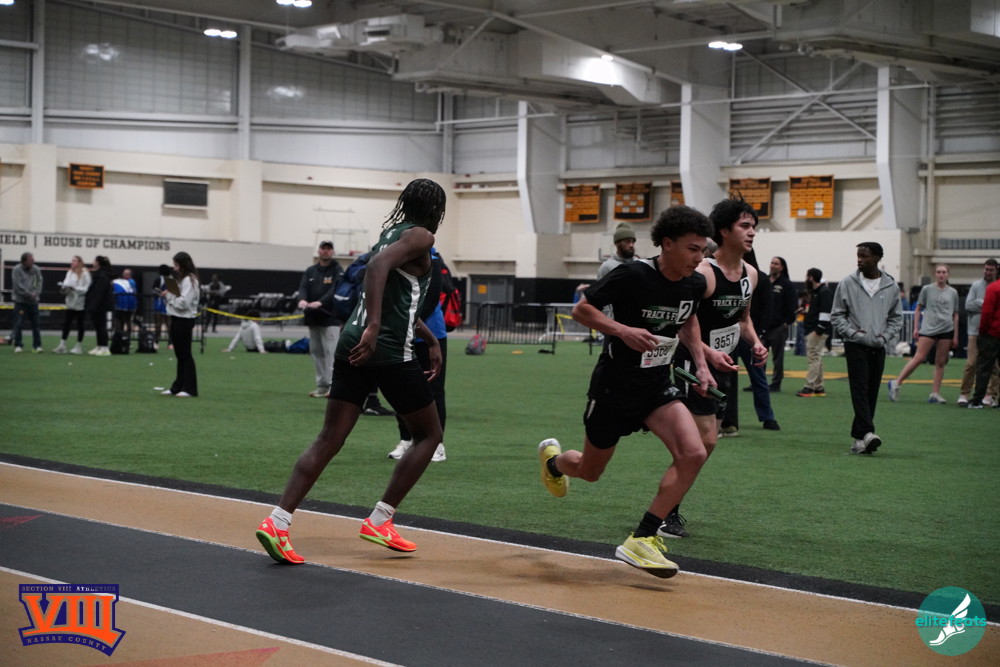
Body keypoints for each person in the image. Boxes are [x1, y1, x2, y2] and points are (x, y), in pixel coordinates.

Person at [255, 178, 447, 565]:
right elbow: (376, 268)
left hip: (352, 342)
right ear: (436, 210)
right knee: (429, 435)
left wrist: (429, 338)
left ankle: (277, 521)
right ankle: (380, 520)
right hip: (387, 349)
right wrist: (375, 327)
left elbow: (393, 295)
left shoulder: (391, 232)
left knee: (329, 437)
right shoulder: (421, 236)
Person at [537, 205, 717, 579]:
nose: (699, 258)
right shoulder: (633, 274)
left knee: (694, 452)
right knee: (589, 471)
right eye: (692, 249)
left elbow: (688, 320)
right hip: (614, 388)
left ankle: (643, 537)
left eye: (703, 250)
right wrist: (622, 331)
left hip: (656, 385)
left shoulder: (694, 283)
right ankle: (554, 463)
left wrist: (702, 363)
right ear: (667, 244)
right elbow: (582, 311)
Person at [665, 196, 767, 539]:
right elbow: (683, 324)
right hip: (692, 364)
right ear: (723, 231)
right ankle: (665, 512)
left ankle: (668, 506)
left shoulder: (751, 274)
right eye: (744, 226)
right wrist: (707, 355)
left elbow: (743, 319)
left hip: (723, 366)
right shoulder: (704, 274)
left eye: (754, 226)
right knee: (703, 442)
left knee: (705, 445)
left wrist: (756, 342)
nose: (752, 232)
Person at [830, 242, 903, 455]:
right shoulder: (847, 283)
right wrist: (853, 334)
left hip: (878, 347)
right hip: (855, 346)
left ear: (877, 258)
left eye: (864, 256)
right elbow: (837, 315)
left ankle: (859, 439)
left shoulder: (891, 286)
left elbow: (896, 318)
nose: (859, 259)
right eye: (858, 255)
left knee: (871, 392)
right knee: (859, 389)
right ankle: (868, 432)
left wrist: (885, 337)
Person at [387, 247, 451, 463]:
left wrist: (408, 322)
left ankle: (437, 444)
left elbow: (430, 300)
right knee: (401, 389)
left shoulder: (433, 260)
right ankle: (406, 439)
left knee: (433, 389)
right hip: (401, 334)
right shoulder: (396, 258)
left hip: (431, 335)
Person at [886, 264, 959, 404]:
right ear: (935, 274)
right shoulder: (927, 289)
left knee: (940, 362)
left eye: (944, 272)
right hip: (928, 329)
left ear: (948, 274)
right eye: (939, 272)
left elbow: (955, 315)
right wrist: (916, 328)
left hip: (946, 330)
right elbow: (918, 309)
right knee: (919, 358)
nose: (941, 275)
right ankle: (896, 382)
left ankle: (935, 393)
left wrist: (955, 336)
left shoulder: (953, 292)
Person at [726, 250, 780, 434]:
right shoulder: (727, 276)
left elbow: (767, 308)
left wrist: (760, 335)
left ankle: (767, 416)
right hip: (731, 334)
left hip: (750, 335)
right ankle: (726, 418)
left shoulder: (760, 279)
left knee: (758, 378)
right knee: (727, 378)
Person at [297, 240, 344, 398]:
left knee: (331, 352)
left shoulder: (337, 270)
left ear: (333, 252)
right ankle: (322, 386)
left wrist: (321, 302)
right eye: (323, 248)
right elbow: (303, 287)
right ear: (318, 251)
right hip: (312, 317)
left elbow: (335, 289)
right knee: (316, 352)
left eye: (329, 249)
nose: (325, 251)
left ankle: (333, 386)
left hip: (330, 317)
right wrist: (302, 300)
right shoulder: (311, 271)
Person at [957, 259, 999, 406]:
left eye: (991, 270)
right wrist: (985, 303)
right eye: (986, 269)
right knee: (971, 363)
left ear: (996, 271)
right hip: (975, 331)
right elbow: (968, 305)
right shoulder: (976, 285)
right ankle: (964, 393)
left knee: (995, 367)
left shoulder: (996, 286)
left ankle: (990, 395)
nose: (988, 272)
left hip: (993, 333)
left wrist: (981, 303)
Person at [158, 252, 200, 397]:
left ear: (183, 265)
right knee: (180, 355)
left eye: (176, 265)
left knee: (185, 354)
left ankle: (189, 389)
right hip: (177, 318)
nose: (174, 268)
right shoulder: (183, 280)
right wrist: (170, 294)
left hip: (184, 319)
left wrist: (169, 296)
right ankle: (178, 387)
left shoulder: (189, 280)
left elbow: (183, 303)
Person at [758, 256, 797, 391]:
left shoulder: (786, 284)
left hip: (778, 327)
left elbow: (792, 305)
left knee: (777, 358)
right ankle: (759, 382)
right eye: (772, 263)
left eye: (776, 264)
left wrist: (787, 322)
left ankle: (776, 383)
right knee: (759, 356)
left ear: (782, 267)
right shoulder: (764, 281)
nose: (773, 265)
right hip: (763, 327)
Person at [796, 268, 833, 397]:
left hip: (816, 330)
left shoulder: (823, 292)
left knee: (813, 358)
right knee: (817, 358)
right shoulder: (817, 292)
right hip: (814, 329)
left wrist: (819, 329)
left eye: (807, 276)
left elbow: (826, 312)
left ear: (811, 277)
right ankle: (818, 387)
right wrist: (806, 312)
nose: (806, 279)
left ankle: (809, 387)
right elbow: (818, 310)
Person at [966, 277, 1000, 409]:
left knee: (984, 368)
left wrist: (982, 330)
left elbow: (987, 312)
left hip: (992, 334)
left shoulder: (993, 288)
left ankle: (977, 400)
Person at [53, 255, 92, 355]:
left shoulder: (85, 273)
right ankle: (62, 345)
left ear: (79, 262)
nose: (72, 262)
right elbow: (66, 283)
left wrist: (75, 289)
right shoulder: (69, 272)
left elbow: (86, 288)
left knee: (80, 324)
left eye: (74, 261)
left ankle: (78, 346)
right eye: (72, 261)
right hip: (70, 303)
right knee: (67, 323)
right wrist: (64, 289)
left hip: (80, 303)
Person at [10, 252, 44, 354]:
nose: (33, 261)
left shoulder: (36, 269)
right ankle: (18, 345)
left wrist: (36, 293)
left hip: (33, 302)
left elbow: (39, 281)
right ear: (24, 261)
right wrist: (28, 294)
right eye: (30, 260)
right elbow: (17, 285)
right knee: (18, 324)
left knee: (36, 325)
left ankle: (37, 346)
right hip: (20, 302)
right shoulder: (16, 270)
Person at [85, 255, 114, 356]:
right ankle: (99, 345)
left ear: (97, 262)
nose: (92, 262)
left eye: (94, 261)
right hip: (97, 304)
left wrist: (94, 305)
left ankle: (105, 347)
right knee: (97, 326)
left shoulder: (102, 275)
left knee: (101, 326)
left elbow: (99, 292)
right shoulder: (98, 274)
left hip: (101, 304)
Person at [152, 264, 172, 350]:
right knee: (162, 325)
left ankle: (168, 342)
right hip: (161, 304)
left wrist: (164, 293)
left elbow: (153, 289)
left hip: (165, 304)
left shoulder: (169, 280)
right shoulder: (160, 279)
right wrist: (162, 293)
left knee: (165, 325)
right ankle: (157, 342)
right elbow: (154, 289)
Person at [112, 268, 138, 336]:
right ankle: (119, 336)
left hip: (129, 306)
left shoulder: (131, 282)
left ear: (130, 275)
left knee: (127, 321)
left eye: (126, 274)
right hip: (120, 305)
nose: (124, 275)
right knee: (120, 321)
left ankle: (127, 336)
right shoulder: (119, 282)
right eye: (124, 273)